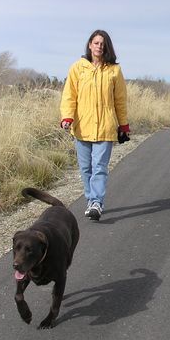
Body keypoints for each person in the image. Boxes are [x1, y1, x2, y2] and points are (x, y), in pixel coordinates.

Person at [60, 29, 130, 221]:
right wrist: (67, 117)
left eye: (103, 43)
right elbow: (69, 96)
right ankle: (91, 200)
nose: (99, 46)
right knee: (85, 168)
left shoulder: (114, 70)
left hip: (106, 127)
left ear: (106, 46)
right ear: (90, 45)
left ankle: (96, 202)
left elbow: (120, 100)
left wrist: (123, 125)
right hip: (82, 127)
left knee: (99, 167)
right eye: (96, 43)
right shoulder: (77, 68)